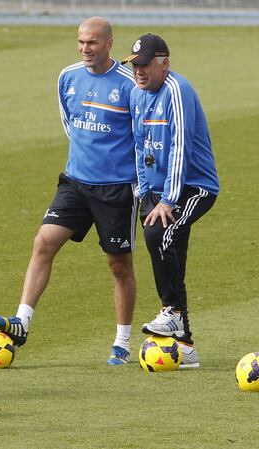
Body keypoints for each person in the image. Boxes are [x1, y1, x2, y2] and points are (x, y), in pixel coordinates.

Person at [0, 17, 138, 365]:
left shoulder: (129, 84)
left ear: (109, 43)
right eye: (81, 42)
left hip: (116, 190)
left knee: (119, 266)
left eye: (93, 43)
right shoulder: (67, 76)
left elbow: (139, 136)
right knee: (44, 242)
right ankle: (22, 321)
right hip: (75, 183)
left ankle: (122, 342)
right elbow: (72, 126)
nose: (85, 49)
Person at [121, 33, 219, 368]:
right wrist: (144, 193)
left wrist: (168, 200)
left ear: (165, 63)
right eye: (136, 65)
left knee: (159, 234)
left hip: (195, 186)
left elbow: (180, 148)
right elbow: (140, 145)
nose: (140, 71)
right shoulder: (136, 95)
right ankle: (186, 346)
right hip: (159, 191)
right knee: (170, 249)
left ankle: (173, 312)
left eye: (146, 64)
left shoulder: (178, 91)